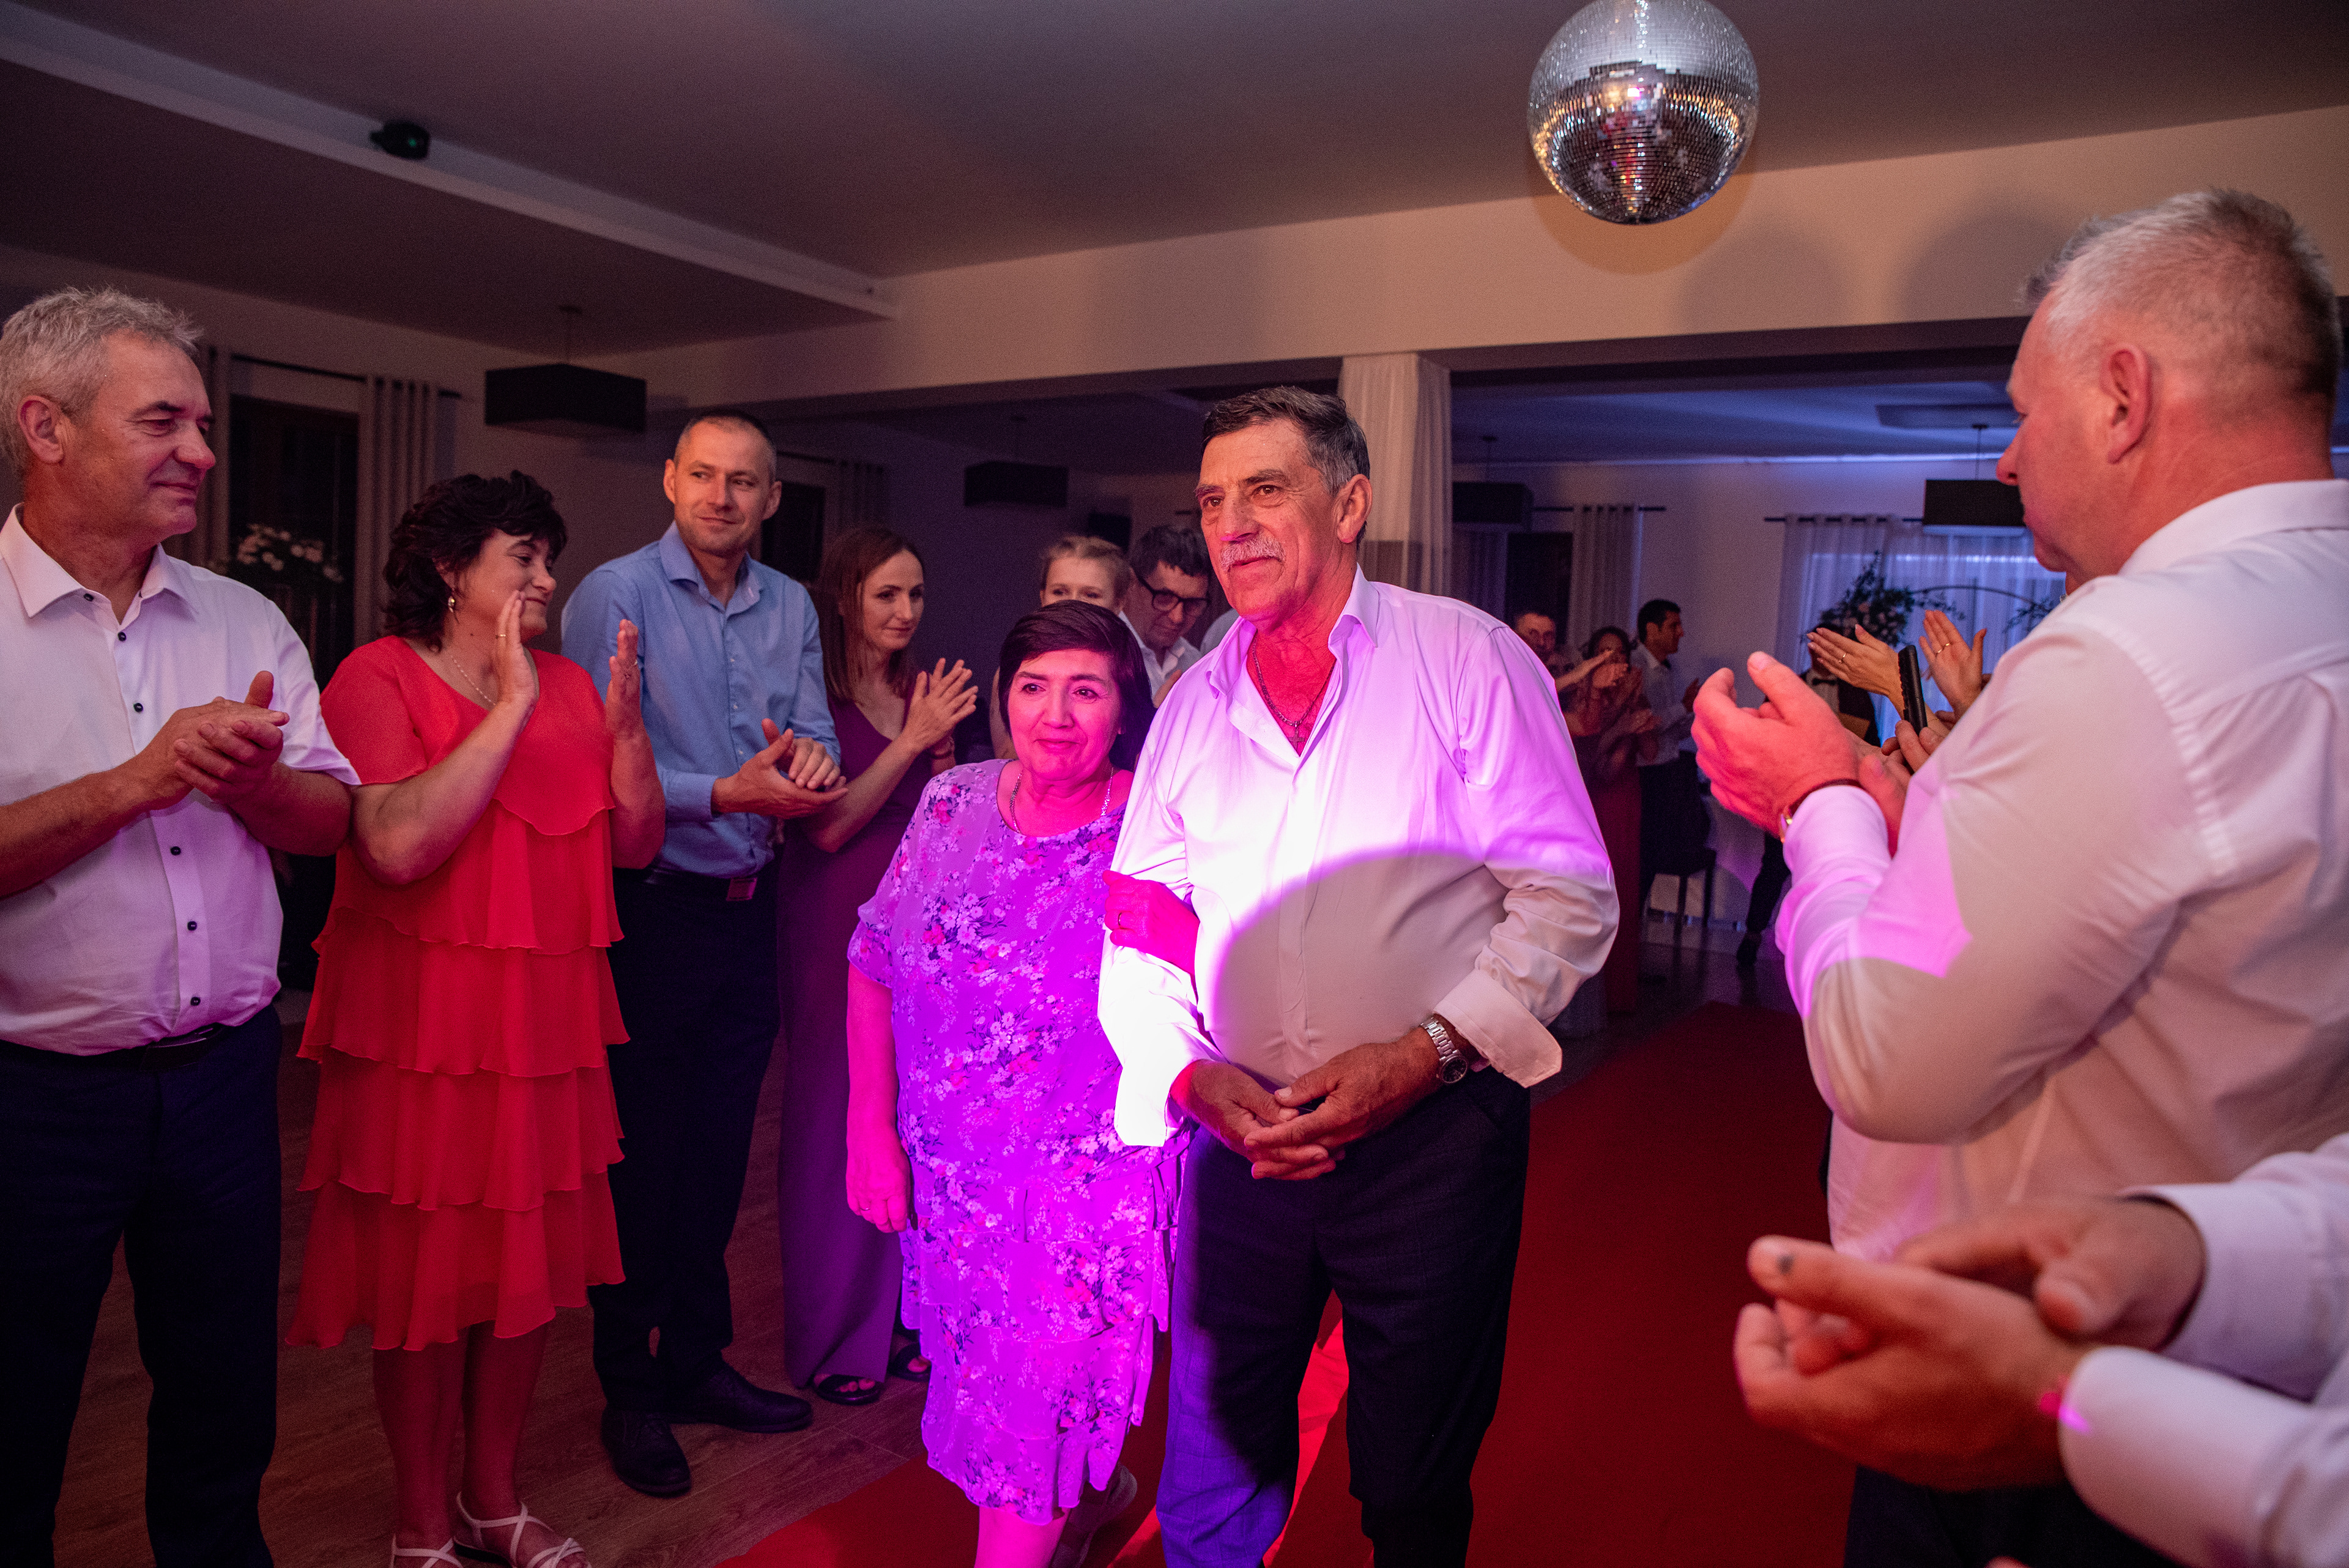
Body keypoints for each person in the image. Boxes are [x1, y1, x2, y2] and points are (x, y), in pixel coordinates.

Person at [1693, 188, 2349, 1566]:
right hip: (2259, 1333)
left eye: (2024, 409)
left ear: (2123, 397)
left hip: (2050, 1370)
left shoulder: (2132, 650)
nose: (2005, 456)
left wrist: (1817, 805)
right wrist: (1909, 813)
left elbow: (1887, 1060)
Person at [1100, 387, 1617, 1566]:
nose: (1231, 524)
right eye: (1213, 501)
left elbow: (1568, 896)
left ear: (1350, 505)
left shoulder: (1465, 658)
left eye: (1264, 491)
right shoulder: (1191, 707)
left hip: (1432, 1135)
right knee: (1214, 1465)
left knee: (1413, 1473)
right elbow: (1141, 925)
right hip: (1242, 1142)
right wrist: (1185, 1073)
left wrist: (1424, 1054)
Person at [0, 287, 356, 1568]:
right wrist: (138, 781)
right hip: (30, 1099)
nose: (201, 451)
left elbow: (330, 824)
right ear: (46, 426)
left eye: (203, 424)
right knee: (14, 1415)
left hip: (221, 1083)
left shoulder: (245, 618)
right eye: (164, 421)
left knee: (222, 1404)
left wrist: (258, 787)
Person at [288, 472, 662, 1568]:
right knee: (428, 1281)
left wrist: (628, 728)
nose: (547, 577)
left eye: (550, 557)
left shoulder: (573, 683)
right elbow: (397, 847)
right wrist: (508, 707)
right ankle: (419, 1524)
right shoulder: (377, 675)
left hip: (544, 1028)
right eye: (524, 557)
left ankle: (495, 1501)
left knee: (523, 1272)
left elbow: (636, 842)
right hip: (423, 1032)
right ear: (452, 570)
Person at [844, 600, 1176, 1568]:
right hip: (957, 1178)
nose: (1056, 715)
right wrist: (870, 1130)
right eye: (1034, 686)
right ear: (1003, 696)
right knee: (996, 1379)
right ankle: (1099, 1494)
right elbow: (872, 959)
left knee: (1030, 1403)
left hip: (1090, 1187)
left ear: (1125, 708)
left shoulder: (1156, 827)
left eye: (1086, 690)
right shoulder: (952, 804)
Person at [560, 409, 845, 1497]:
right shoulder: (615, 594)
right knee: (645, 1158)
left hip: (749, 909)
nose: (723, 496)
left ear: (772, 498)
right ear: (672, 482)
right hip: (654, 908)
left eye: (745, 481)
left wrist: (807, 766)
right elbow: (586, 764)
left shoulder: (790, 604)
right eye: (705, 475)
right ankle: (629, 1386)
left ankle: (695, 1360)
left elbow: (814, 731)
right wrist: (725, 789)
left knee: (721, 1151)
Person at [1734, 1137, 2349, 1568]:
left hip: (2204, 1469)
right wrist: (2192, 1250)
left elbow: (1886, 1070)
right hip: (2036, 1354)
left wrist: (2068, 1407)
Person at [775, 527, 975, 1407]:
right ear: (845, 596)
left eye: (916, 593)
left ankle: (902, 1319)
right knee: (836, 1116)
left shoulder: (922, 689)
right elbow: (825, 826)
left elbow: (948, 813)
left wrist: (942, 749)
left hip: (916, 916)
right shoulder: (814, 699)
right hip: (832, 914)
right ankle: (833, 1332)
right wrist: (911, 741)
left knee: (914, 1115)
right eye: (887, 593)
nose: (906, 611)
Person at [1562, 626, 1657, 1011]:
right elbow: (1593, 761)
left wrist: (1639, 714)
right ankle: (1589, 1000)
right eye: (1604, 652)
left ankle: (1619, 994)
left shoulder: (1633, 694)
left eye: (1619, 654)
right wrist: (1622, 726)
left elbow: (1651, 751)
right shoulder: (1584, 696)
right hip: (1591, 799)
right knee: (1592, 896)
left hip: (1626, 798)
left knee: (1624, 891)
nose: (1613, 660)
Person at [990, 533, 1130, 760]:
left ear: (1118, 604)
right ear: (1043, 596)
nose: (1072, 603)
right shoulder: (1018, 671)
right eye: (1059, 592)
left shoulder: (1128, 671)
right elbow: (1008, 758)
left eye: (1091, 594)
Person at [1631, 597, 1709, 916]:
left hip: (1666, 770)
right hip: (1646, 773)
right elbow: (1647, 724)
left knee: (1654, 855)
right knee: (1643, 856)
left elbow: (1670, 732)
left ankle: (1636, 927)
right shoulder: (1637, 666)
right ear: (1652, 630)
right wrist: (1684, 707)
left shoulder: (1664, 670)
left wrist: (1696, 713)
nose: (1681, 633)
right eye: (1674, 625)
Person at [1119, 522, 1212, 702]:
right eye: (1164, 598)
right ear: (1131, 583)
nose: (1177, 618)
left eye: (1193, 604)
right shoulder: (1102, 653)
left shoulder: (1193, 661)